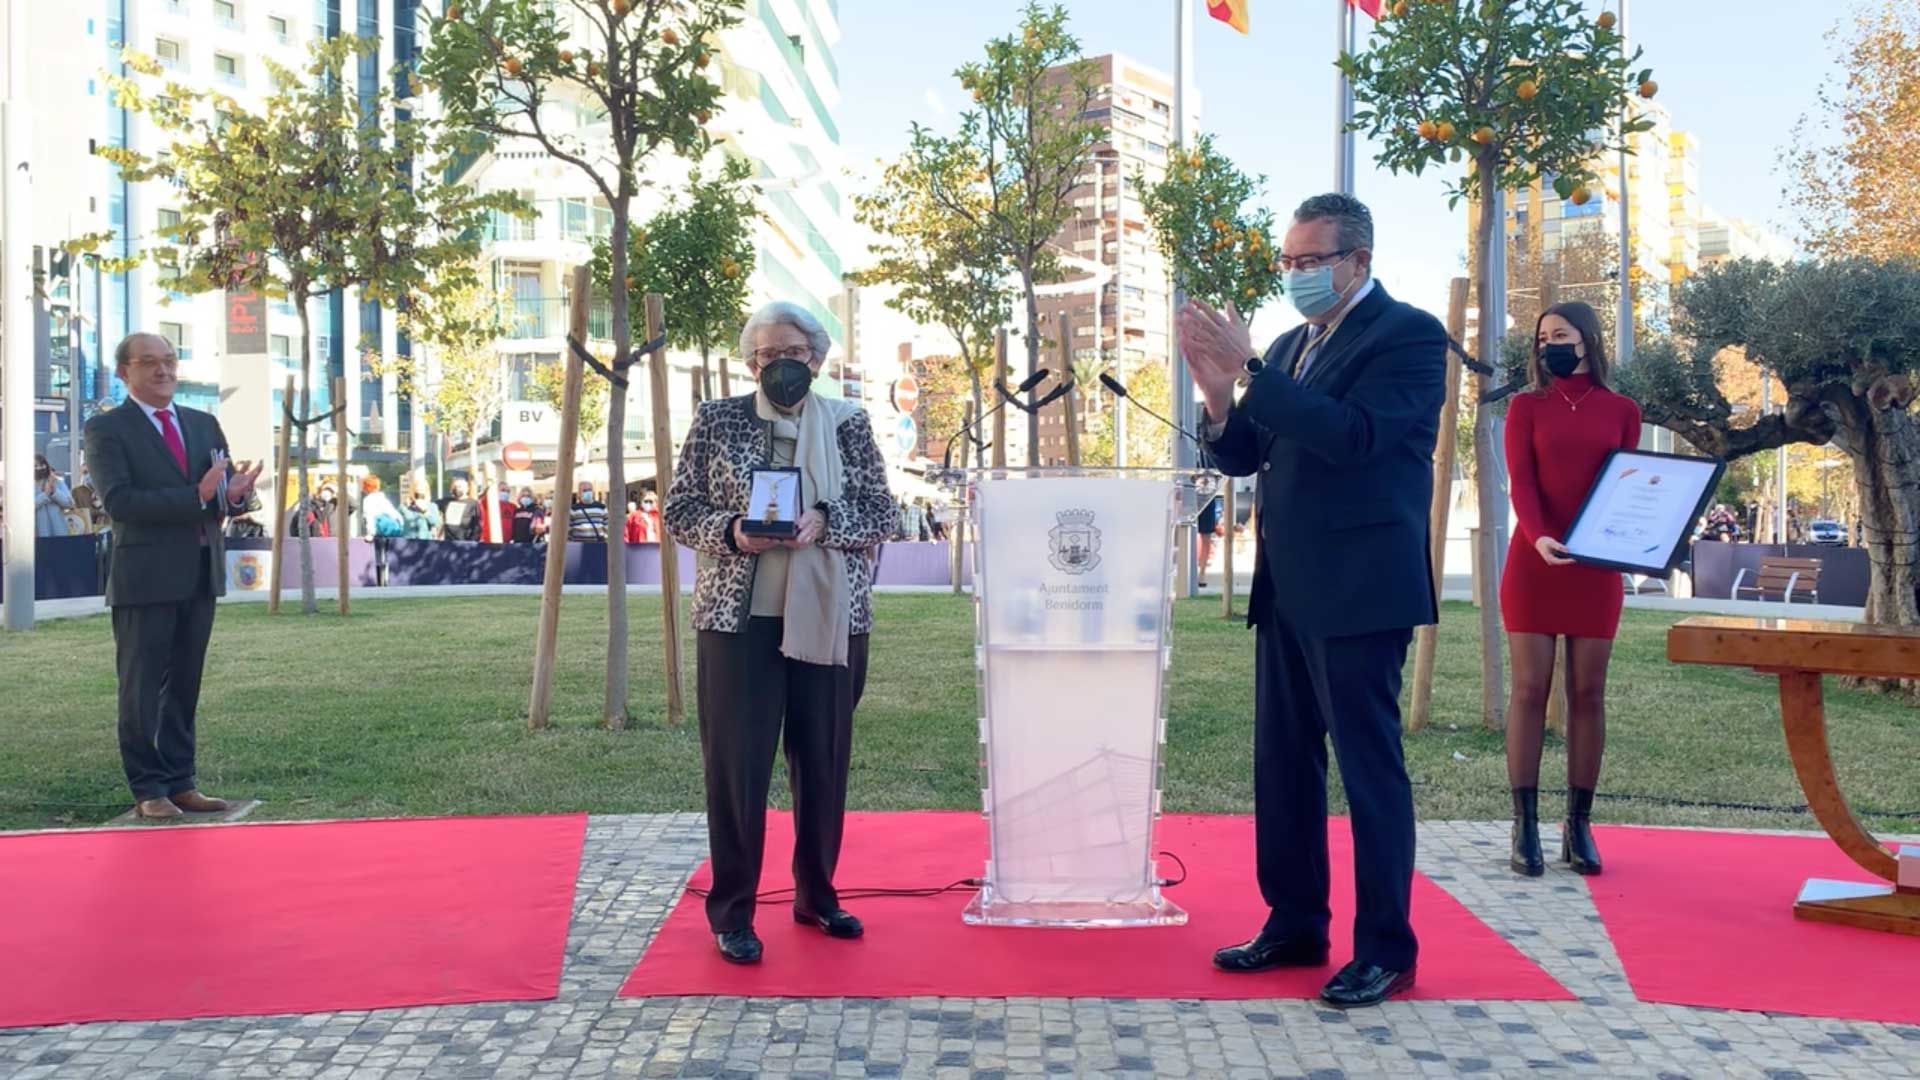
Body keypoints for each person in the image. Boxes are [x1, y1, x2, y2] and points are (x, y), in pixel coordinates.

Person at [1178, 193, 1445, 1009]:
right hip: (1286, 588)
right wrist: (1220, 394)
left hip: (1363, 590)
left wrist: (1252, 373)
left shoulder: (1409, 336)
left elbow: (1355, 436)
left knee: (1369, 772)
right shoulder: (1296, 344)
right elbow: (1243, 456)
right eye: (1287, 263)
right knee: (1284, 766)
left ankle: (1386, 950)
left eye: (1310, 261)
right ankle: (1295, 921)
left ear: (1357, 261)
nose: (1295, 275)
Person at [663, 301, 896, 965]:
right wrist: (732, 532)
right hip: (738, 623)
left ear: (816, 359)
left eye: (790, 352)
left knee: (822, 760)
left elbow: (883, 510)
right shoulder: (717, 420)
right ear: (749, 362)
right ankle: (732, 911)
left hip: (831, 619)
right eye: (764, 355)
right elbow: (680, 506)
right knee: (737, 769)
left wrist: (824, 520)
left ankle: (817, 895)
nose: (777, 365)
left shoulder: (850, 423)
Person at [83, 331, 263, 820]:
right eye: (148, 363)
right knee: (140, 690)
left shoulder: (204, 424)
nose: (162, 371)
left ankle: (181, 781)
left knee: (184, 685)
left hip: (199, 572)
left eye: (169, 361)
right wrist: (197, 495)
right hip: (144, 575)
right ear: (125, 372)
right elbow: (120, 502)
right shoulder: (107, 430)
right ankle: (149, 788)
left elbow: (221, 497)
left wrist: (236, 494)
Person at [1501, 301, 1642, 879]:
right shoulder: (1524, 407)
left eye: (1560, 334)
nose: (1549, 344)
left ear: (1587, 339)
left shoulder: (1623, 410)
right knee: (1530, 690)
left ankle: (1578, 823)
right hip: (1536, 562)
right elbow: (1522, 484)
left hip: (1596, 566)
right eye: (1542, 337)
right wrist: (1539, 538)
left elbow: (1630, 488)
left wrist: (1641, 544)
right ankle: (1524, 824)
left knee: (1589, 691)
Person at [33, 454, 75, 537]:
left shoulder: (57, 482)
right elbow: (25, 508)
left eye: (42, 464)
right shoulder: (24, 486)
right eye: (36, 466)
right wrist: (45, 495)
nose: (40, 468)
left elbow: (69, 503)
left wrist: (54, 492)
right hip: (37, 534)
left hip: (59, 531)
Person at [1195, 492, 1222, 588]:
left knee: (1206, 537)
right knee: (1184, 531)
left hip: (1208, 494)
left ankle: (1202, 574)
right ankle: (1187, 574)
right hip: (1190, 491)